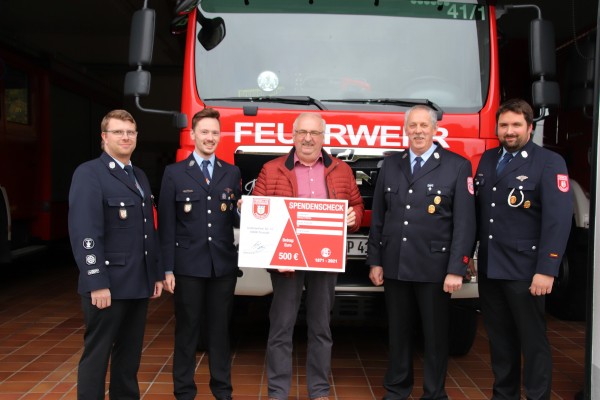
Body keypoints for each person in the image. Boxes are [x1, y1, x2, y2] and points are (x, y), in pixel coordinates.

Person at [251, 112, 364, 400]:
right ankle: (278, 391)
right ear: (292, 135)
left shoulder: (341, 170)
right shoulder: (271, 169)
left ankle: (319, 390)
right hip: (286, 259)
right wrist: (248, 210)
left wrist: (354, 217)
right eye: (302, 132)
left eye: (314, 133)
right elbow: (259, 210)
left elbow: (357, 207)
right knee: (281, 326)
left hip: (324, 261)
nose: (308, 138)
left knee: (321, 327)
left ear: (324, 137)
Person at [367, 104, 476, 400]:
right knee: (398, 333)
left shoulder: (457, 165)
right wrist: (375, 260)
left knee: (435, 336)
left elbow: (465, 224)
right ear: (405, 129)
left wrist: (457, 267)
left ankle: (434, 393)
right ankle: (397, 389)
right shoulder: (391, 164)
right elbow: (380, 216)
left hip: (435, 267)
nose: (418, 131)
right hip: (395, 264)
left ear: (435, 129)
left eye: (424, 126)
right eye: (412, 126)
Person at [473, 98, 573, 400]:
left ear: (530, 127)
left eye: (516, 124)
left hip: (526, 271)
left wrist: (547, 269)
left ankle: (537, 396)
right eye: (504, 125)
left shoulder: (548, 162)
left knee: (532, 342)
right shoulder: (488, 160)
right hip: (492, 268)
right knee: (500, 341)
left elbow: (557, 221)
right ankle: (504, 395)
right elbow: (480, 214)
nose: (510, 130)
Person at [68, 109, 164, 399]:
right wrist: (96, 280)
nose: (125, 137)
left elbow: (149, 230)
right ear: (104, 137)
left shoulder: (139, 176)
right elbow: (85, 232)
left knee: (129, 358)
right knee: (97, 356)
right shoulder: (89, 174)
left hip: (137, 283)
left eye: (130, 132)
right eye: (118, 132)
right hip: (107, 285)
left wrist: (155, 274)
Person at [158, 108, 241, 400]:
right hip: (187, 267)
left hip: (222, 267)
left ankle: (222, 391)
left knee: (220, 332)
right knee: (187, 331)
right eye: (204, 132)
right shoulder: (174, 173)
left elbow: (234, 219)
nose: (210, 138)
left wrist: (247, 212)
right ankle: (184, 392)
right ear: (193, 135)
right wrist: (166, 269)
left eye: (215, 133)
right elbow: (166, 226)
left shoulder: (231, 172)